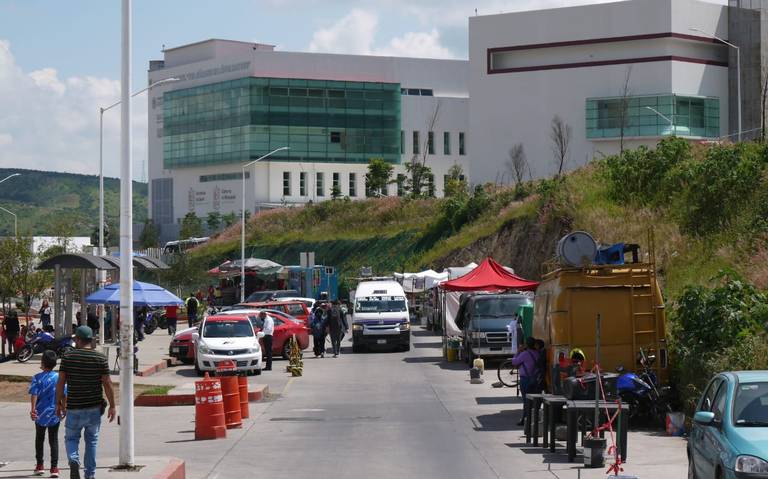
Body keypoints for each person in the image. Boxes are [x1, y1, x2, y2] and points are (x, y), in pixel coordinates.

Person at [56, 326, 115, 479]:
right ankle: (90, 475)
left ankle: (74, 460)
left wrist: (58, 403)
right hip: (94, 408)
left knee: (71, 438)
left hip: (74, 407)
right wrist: (113, 405)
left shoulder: (68, 357)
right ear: (91, 340)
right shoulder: (100, 358)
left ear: (77, 340)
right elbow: (107, 383)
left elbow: (61, 383)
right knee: (92, 442)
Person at [30, 350, 65, 478]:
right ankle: (54, 468)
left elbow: (34, 394)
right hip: (54, 412)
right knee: (53, 440)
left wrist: (33, 409)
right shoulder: (58, 378)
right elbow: (63, 394)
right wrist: (64, 408)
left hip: (40, 413)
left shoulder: (37, 377)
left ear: (42, 362)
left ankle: (40, 465)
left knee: (39, 439)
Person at [511, 337, 541, 426]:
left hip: (525, 380)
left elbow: (514, 362)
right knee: (534, 401)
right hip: (535, 380)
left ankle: (525, 420)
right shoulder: (538, 353)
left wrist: (518, 351)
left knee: (526, 401)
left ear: (527, 345)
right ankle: (533, 419)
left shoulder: (525, 354)